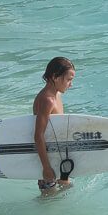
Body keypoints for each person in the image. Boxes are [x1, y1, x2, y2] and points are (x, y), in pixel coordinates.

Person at [34, 57, 76, 193]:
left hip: (58, 157)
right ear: (55, 77)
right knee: (48, 205)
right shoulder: (47, 100)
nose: (71, 84)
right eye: (68, 80)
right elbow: (38, 135)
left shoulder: (56, 95)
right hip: (47, 162)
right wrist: (46, 168)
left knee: (66, 193)